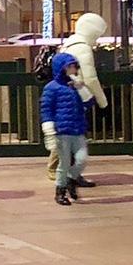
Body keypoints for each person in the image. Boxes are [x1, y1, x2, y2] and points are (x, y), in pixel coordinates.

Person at [49, 12, 108, 186]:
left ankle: (67, 172)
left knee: (66, 134)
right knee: (72, 135)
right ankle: (65, 173)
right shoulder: (83, 48)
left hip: (67, 95)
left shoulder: (69, 44)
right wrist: (102, 101)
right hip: (77, 97)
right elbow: (90, 78)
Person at [41, 52, 90, 206]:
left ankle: (70, 180)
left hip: (77, 128)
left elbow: (89, 103)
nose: (73, 69)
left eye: (74, 66)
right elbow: (46, 109)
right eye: (69, 66)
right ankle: (60, 190)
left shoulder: (76, 86)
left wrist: (81, 89)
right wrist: (49, 129)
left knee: (82, 159)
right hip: (62, 130)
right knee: (64, 162)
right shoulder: (52, 88)